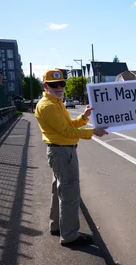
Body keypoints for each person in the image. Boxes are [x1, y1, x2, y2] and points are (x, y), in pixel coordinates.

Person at [35, 69, 108, 247]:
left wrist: (84, 117)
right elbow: (67, 132)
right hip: (62, 152)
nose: (59, 87)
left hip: (60, 152)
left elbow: (69, 125)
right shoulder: (48, 106)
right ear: (45, 86)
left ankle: (57, 226)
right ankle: (69, 235)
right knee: (70, 193)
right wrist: (93, 131)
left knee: (59, 190)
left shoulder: (56, 102)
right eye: (54, 84)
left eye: (62, 84)